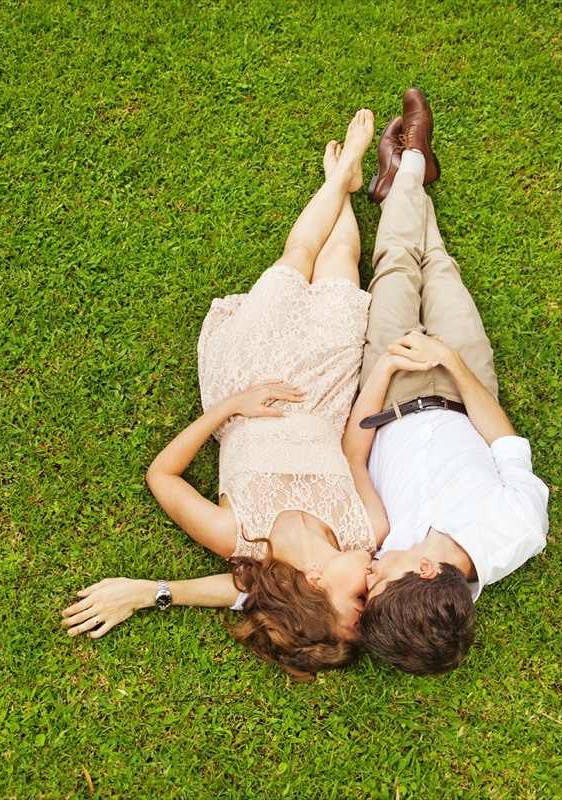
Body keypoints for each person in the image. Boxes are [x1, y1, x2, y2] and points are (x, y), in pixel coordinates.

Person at [63, 110, 416, 681]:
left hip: (250, 380)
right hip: (323, 391)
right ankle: (345, 191)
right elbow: (353, 453)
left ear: (317, 587)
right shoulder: (366, 533)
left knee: (296, 259)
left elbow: (163, 478)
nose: (374, 596)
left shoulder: (244, 541)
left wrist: (226, 408)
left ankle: (342, 174)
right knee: (339, 270)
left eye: (360, 607)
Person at [351, 87, 550, 674]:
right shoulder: (517, 530)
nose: (370, 573)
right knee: (439, 270)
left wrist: (386, 369)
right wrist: (452, 361)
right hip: (463, 385)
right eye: (379, 582)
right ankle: (406, 176)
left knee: (393, 268)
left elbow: (355, 453)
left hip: (386, 392)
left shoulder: (390, 545)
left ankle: (409, 168)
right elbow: (507, 445)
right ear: (428, 570)